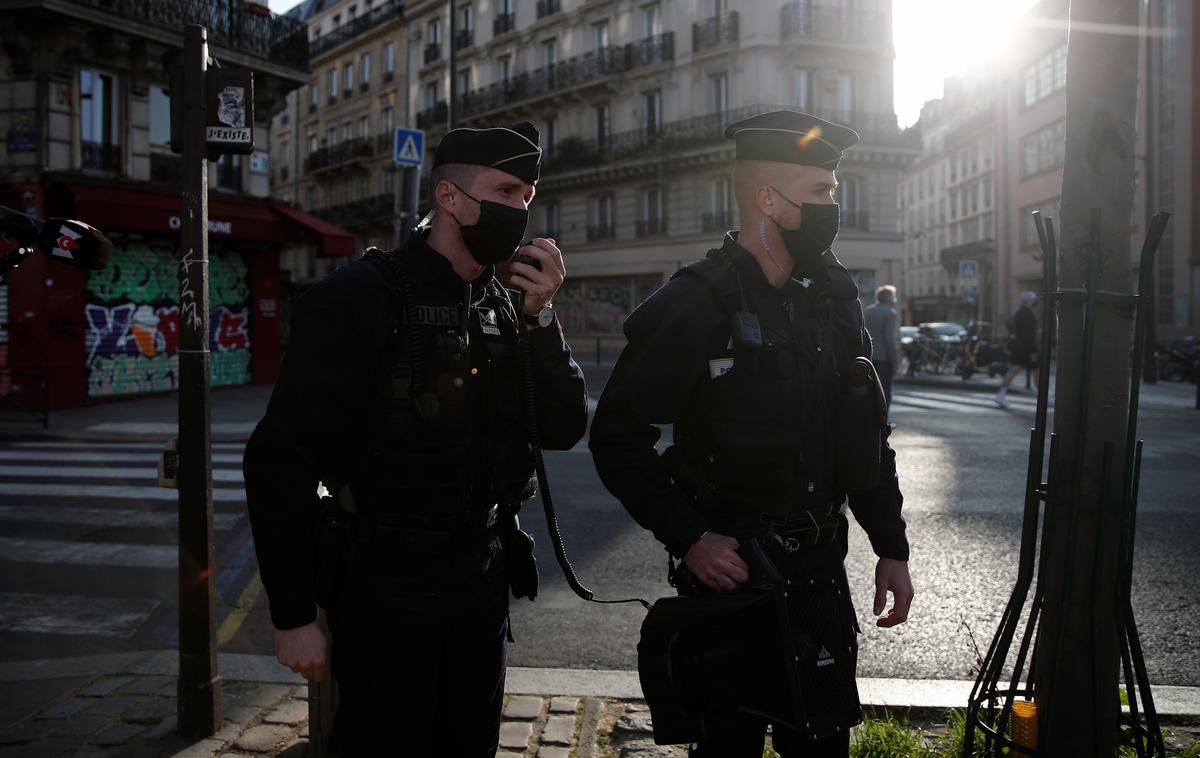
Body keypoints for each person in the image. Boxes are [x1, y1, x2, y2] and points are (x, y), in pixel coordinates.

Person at [243, 122, 588, 756]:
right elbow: (278, 461)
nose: (519, 210)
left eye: (528, 197)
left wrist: (542, 323)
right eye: (506, 190)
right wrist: (293, 615)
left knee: (470, 743)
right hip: (383, 583)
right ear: (450, 197)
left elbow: (564, 429)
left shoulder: (506, 303)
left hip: (480, 578)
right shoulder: (358, 298)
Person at [589, 110, 913, 758]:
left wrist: (891, 545)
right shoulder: (699, 301)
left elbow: (866, 434)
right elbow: (617, 437)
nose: (831, 208)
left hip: (821, 575)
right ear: (769, 199)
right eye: (819, 193)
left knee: (821, 749)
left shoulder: (834, 298)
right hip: (731, 581)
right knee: (727, 748)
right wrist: (691, 537)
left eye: (834, 193)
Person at [996, 290, 1039, 408]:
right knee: (1036, 371)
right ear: (1029, 301)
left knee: (1015, 370)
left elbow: (1011, 327)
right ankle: (1045, 397)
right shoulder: (1028, 315)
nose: (1036, 301)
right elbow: (1029, 335)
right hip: (1027, 348)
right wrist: (1033, 350)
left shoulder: (1018, 313)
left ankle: (1001, 395)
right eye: (1034, 299)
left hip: (1019, 346)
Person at [863, 284, 900, 407]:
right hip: (884, 357)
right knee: (884, 391)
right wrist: (894, 360)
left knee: (869, 390)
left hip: (868, 355)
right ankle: (883, 421)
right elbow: (889, 338)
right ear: (890, 299)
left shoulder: (867, 311)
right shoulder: (890, 313)